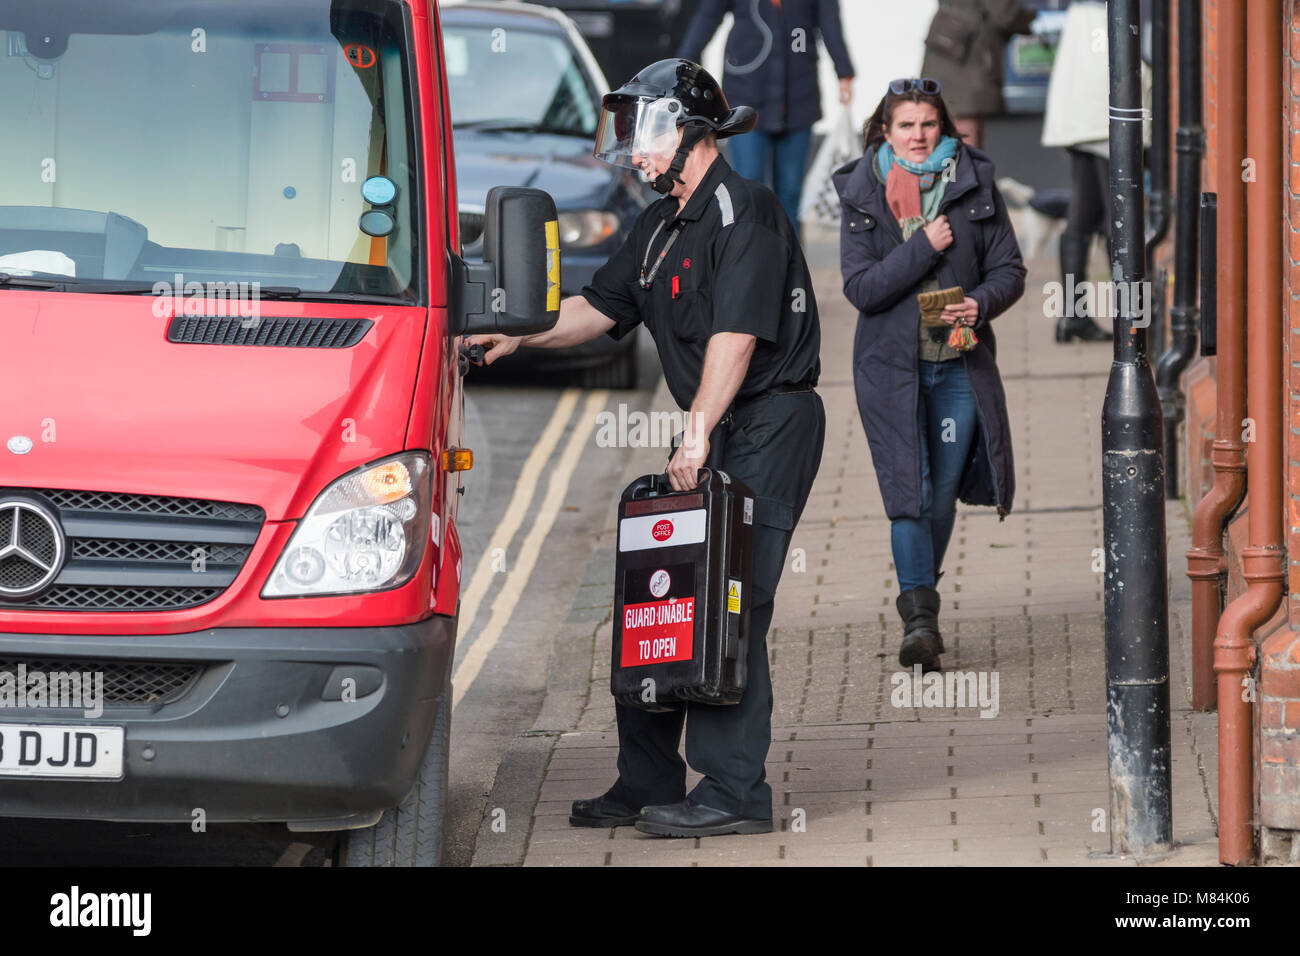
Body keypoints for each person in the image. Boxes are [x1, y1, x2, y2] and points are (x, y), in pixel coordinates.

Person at [467, 59, 825, 837]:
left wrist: (694, 434)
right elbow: (599, 308)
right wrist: (515, 334)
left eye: (643, 129)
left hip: (767, 423)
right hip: (715, 422)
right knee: (662, 594)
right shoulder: (661, 223)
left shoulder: (744, 214)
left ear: (687, 129)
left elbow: (735, 339)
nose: (631, 147)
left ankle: (735, 793)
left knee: (731, 604)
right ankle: (647, 779)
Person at [832, 78, 1024, 671]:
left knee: (940, 495)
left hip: (957, 360)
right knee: (907, 495)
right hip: (890, 367)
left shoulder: (974, 184)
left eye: (928, 125)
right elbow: (861, 289)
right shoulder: (863, 193)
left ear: (944, 128)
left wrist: (982, 302)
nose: (918, 137)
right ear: (885, 133)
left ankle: (921, 595)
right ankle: (920, 621)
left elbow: (1009, 270)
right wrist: (924, 246)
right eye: (906, 126)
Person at [677, 0, 854, 239]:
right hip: (746, 97)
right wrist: (683, 67)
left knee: (790, 192)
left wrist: (844, 71)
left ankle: (789, 266)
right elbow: (707, 17)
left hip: (798, 98)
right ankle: (748, 259)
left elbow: (829, 20)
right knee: (748, 185)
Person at [1040, 0, 1148, 343]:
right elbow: (1118, 62)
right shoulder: (1099, 14)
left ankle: (1073, 316)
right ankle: (1129, 321)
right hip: (1104, 124)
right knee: (1119, 222)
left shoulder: (1082, 13)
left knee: (1084, 219)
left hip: (1086, 121)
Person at [920, 0, 1035, 150]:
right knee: (967, 130)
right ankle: (966, 173)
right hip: (970, 55)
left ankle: (957, 172)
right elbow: (1005, 14)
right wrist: (1032, 19)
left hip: (946, 44)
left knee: (948, 128)